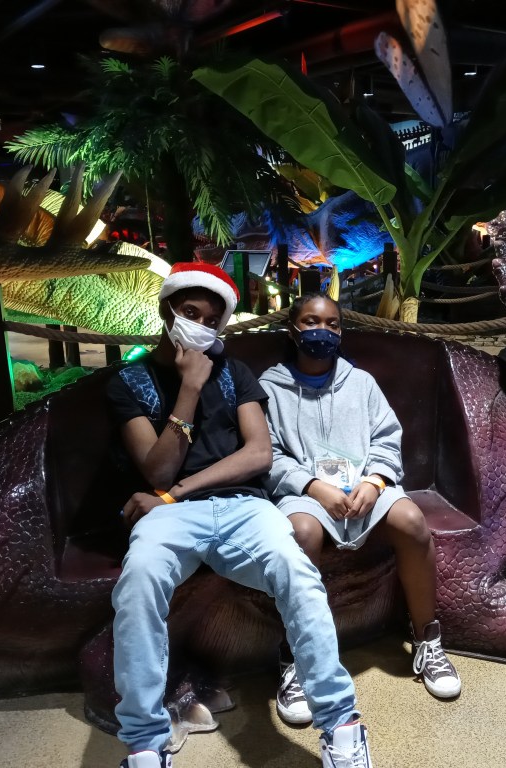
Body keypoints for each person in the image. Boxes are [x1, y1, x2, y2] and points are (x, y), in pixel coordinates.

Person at [106, 264, 374, 768]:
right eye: (190, 313)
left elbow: (258, 454)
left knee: (297, 571)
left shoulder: (235, 374)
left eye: (212, 320)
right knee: (138, 581)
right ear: (167, 310)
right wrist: (188, 389)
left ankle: (341, 724)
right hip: (170, 517)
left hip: (242, 507)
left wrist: (174, 493)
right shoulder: (131, 381)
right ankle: (145, 745)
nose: (200, 326)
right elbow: (157, 469)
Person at [259, 293, 462, 726]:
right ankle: (296, 658)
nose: (322, 331)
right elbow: (268, 454)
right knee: (301, 533)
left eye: (332, 324)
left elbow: (387, 438)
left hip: (364, 485)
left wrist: (375, 481)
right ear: (293, 330)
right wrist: (313, 487)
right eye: (311, 321)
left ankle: (428, 639)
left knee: (411, 520)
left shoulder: (361, 383)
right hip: (306, 491)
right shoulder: (270, 388)